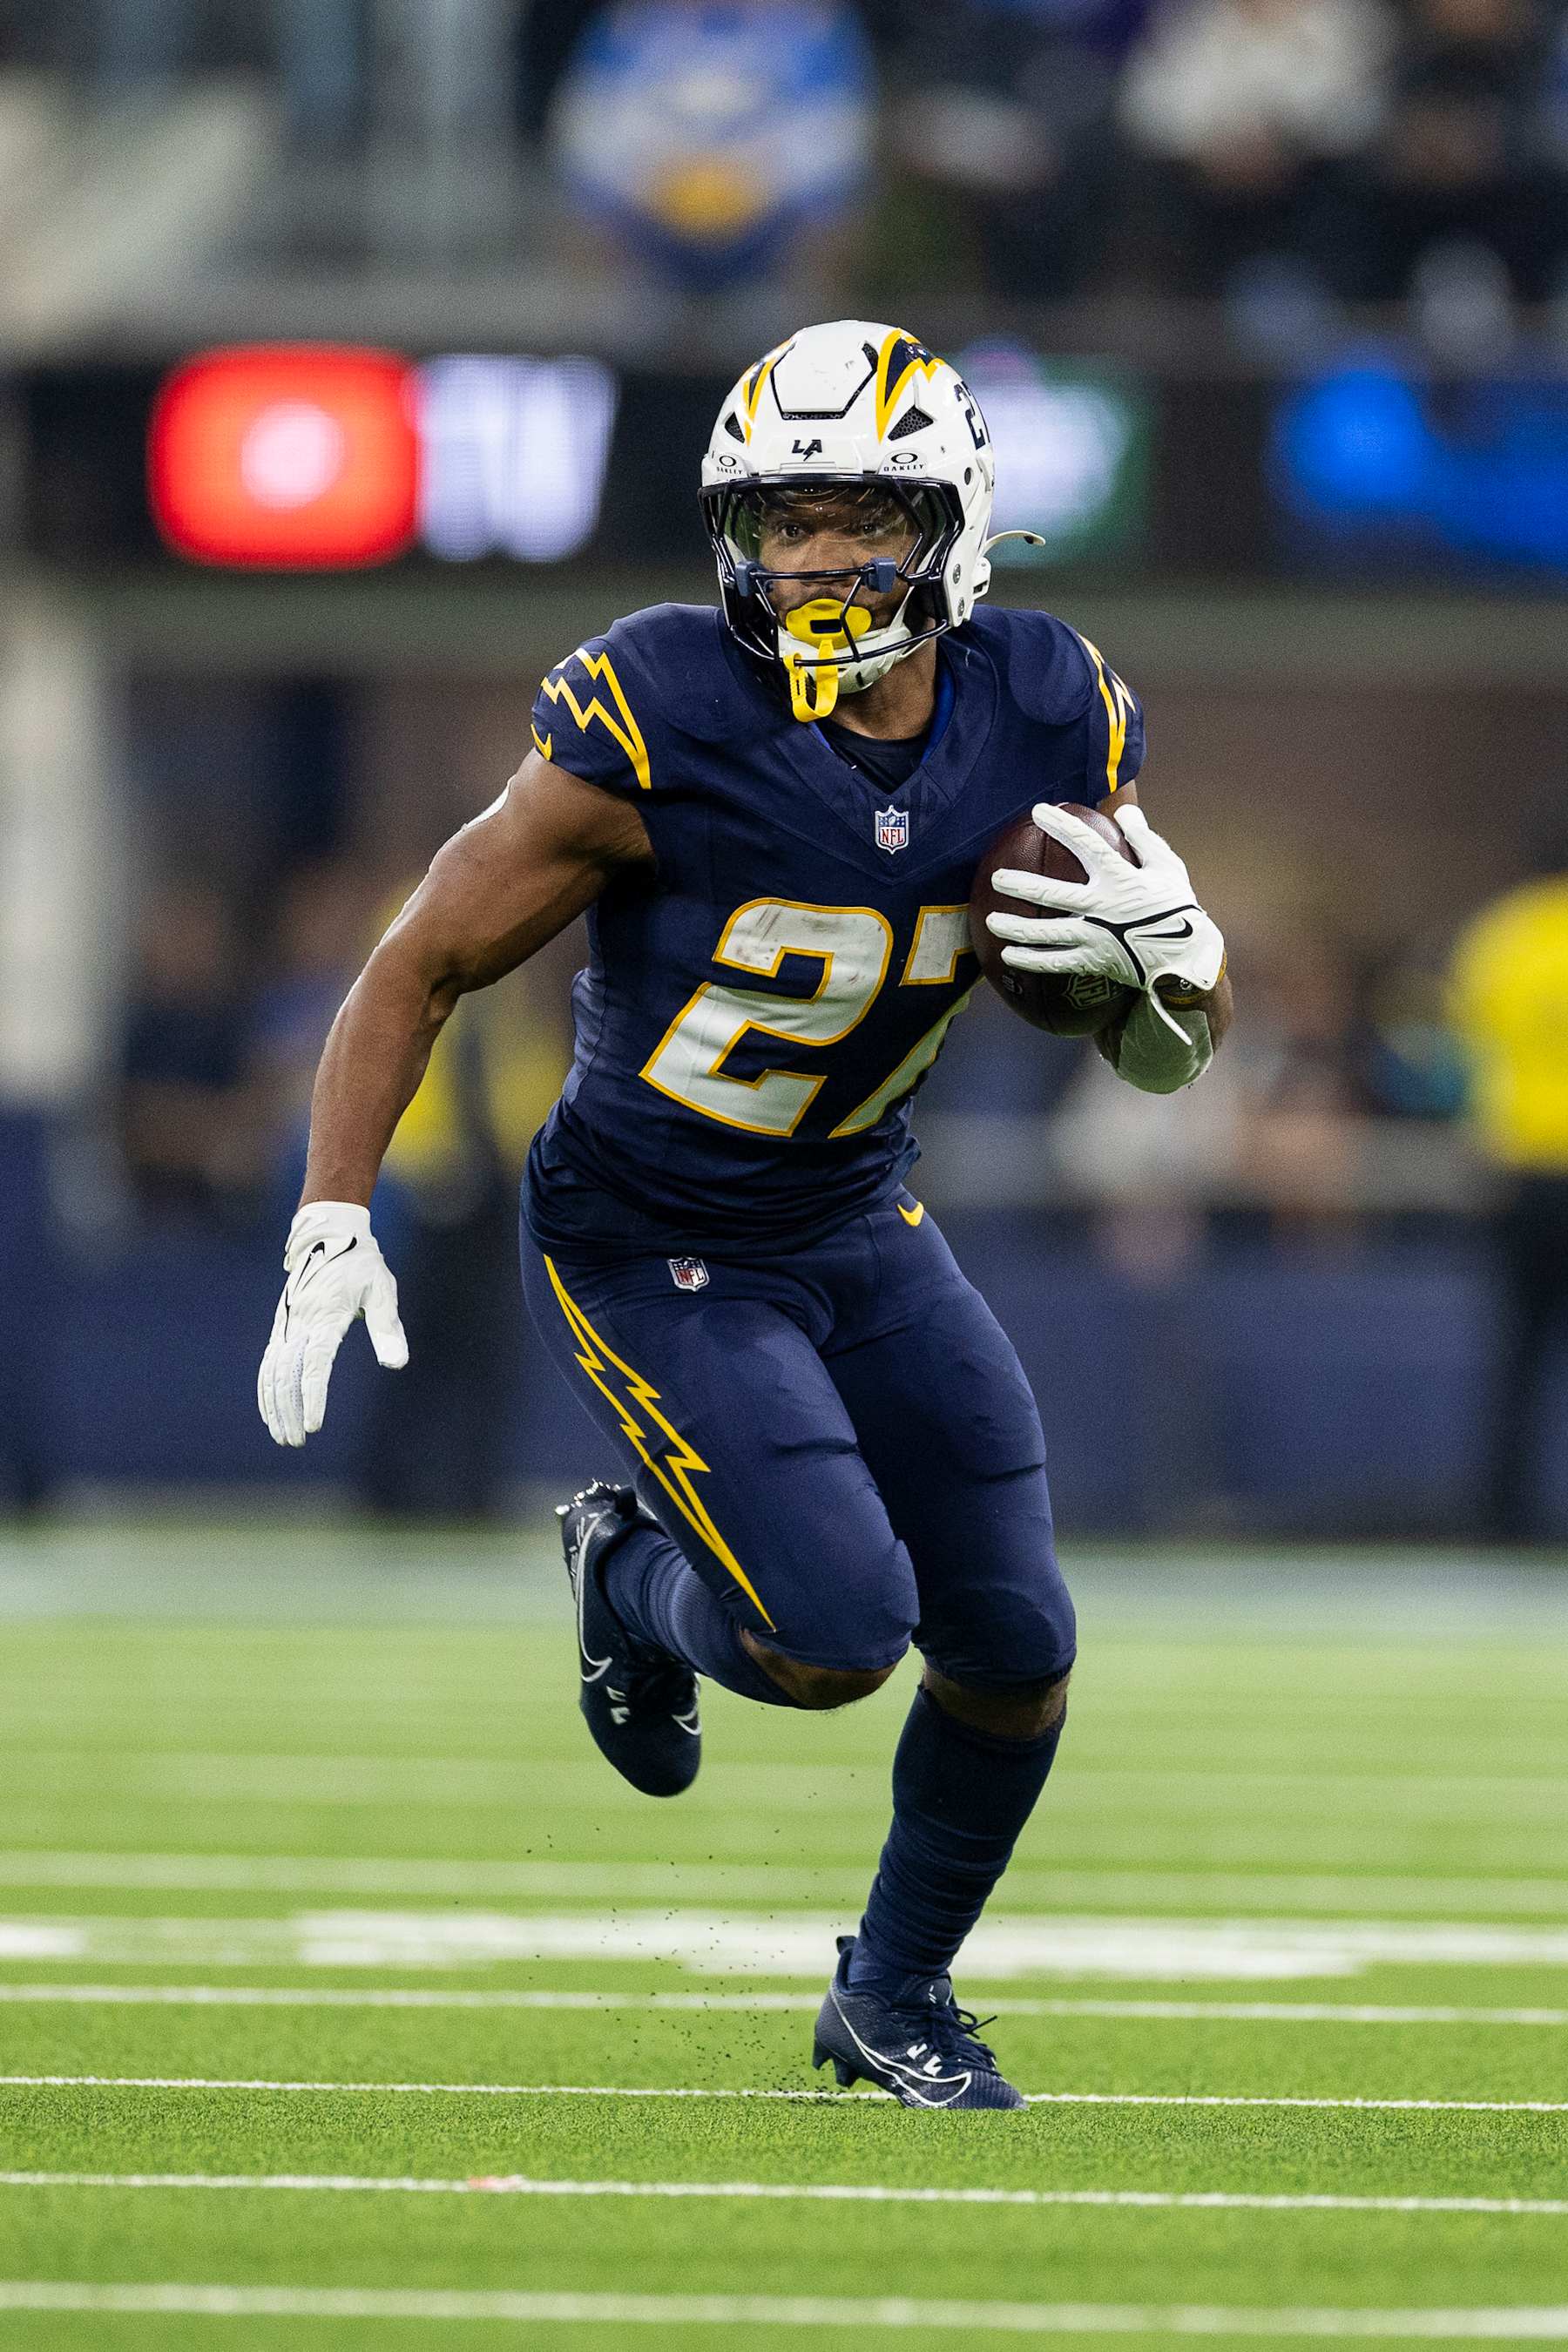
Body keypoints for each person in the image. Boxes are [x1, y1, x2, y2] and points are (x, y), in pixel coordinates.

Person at [257, 321, 1231, 2106]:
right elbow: (422, 960)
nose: (814, 561)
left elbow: (1148, 1054)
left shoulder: (1050, 705)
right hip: (652, 1235)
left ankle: (894, 1994)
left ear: (954, 521)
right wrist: (332, 1212)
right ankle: (629, 1576)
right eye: (781, 523)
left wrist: (1178, 984)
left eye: (858, 515)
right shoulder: (660, 707)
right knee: (835, 1637)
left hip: (860, 1216)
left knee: (1017, 1642)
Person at [1450, 801, 1568, 1540]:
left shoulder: (1495, 938)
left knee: (1519, 1355)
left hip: (1519, 1170)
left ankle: (1501, 1521)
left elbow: (1467, 1053)